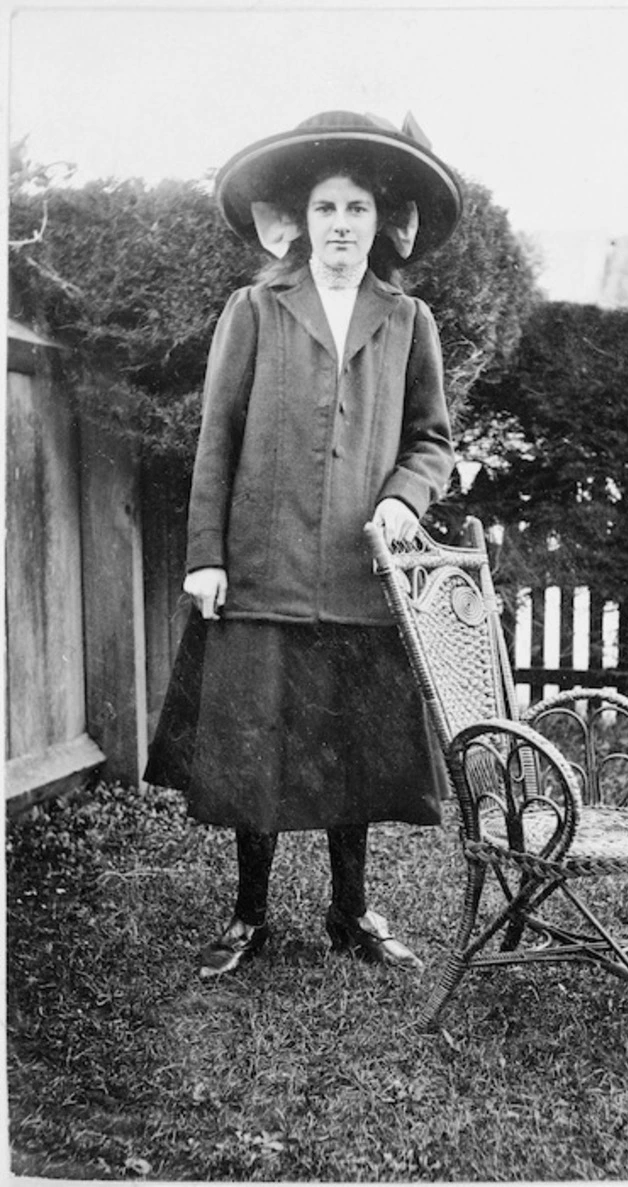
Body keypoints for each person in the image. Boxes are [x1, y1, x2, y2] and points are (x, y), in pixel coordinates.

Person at [144, 109, 462, 978]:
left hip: (359, 578)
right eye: (326, 209)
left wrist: (404, 497)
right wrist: (206, 554)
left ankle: (351, 910)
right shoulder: (254, 308)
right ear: (299, 219)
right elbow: (218, 436)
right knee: (257, 743)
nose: (340, 226)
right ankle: (249, 915)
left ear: (379, 223)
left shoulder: (407, 320)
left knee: (349, 748)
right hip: (264, 568)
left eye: (357, 209)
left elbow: (433, 440)